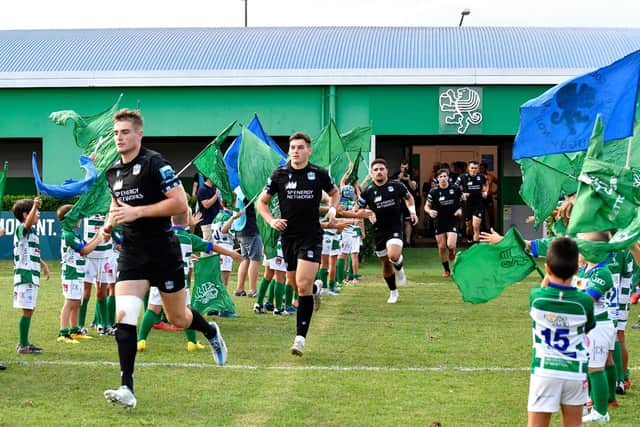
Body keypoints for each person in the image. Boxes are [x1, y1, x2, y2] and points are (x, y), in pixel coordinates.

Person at [102, 108, 227, 409]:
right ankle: (126, 387)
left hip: (163, 250)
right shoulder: (113, 172)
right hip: (131, 253)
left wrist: (138, 212)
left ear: (139, 134)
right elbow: (116, 205)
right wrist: (110, 223)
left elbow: (179, 204)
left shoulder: (155, 163)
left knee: (178, 317)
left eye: (125, 132)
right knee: (125, 315)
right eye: (116, 133)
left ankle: (210, 331)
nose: (120, 137)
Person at [257, 131, 339, 356]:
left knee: (301, 285)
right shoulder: (279, 174)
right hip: (288, 237)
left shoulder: (318, 174)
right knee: (295, 283)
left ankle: (300, 339)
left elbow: (335, 193)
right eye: (292, 147)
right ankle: (315, 289)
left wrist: (332, 209)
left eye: (300, 147)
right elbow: (261, 203)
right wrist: (271, 220)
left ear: (309, 150)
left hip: (311, 235)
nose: (296, 150)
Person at [527, 237, 594, 427]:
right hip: (575, 371)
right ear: (576, 270)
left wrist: (548, 277)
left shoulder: (537, 297)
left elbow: (543, 289)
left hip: (545, 371)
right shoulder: (584, 302)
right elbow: (588, 327)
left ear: (547, 268)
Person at [357, 158, 417, 303]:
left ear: (386, 171)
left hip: (395, 227)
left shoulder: (397, 185)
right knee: (385, 263)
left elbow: (409, 198)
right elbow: (358, 210)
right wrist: (366, 213)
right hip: (378, 230)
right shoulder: (367, 192)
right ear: (371, 173)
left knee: (393, 255)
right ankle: (393, 292)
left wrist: (413, 212)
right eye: (376, 170)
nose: (379, 172)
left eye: (381, 169)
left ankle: (399, 265)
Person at [574, 232, 615, 423]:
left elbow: (589, 298)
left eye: (584, 244)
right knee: (584, 368)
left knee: (595, 368)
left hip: (598, 325)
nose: (580, 247)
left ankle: (601, 412)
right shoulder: (583, 270)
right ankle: (585, 405)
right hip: (586, 325)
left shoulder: (602, 272)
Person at [57, 205, 103, 344]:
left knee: (77, 302)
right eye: (77, 215)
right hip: (71, 274)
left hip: (77, 274)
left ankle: (74, 330)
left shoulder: (72, 234)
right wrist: (99, 238)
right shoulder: (69, 235)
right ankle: (63, 333)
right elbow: (85, 250)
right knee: (70, 302)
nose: (80, 218)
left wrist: (97, 235)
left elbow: (85, 245)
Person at [12, 197, 50, 354]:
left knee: (30, 309)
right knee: (27, 310)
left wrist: (43, 265)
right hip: (25, 276)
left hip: (32, 276)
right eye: (36, 211)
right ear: (25, 215)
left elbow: (30, 251)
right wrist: (35, 204)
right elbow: (26, 224)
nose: (39, 214)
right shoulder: (21, 228)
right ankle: (23, 345)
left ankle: (24, 341)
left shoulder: (32, 232)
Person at [82, 214, 116, 336]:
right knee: (85, 293)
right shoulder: (87, 206)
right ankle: (80, 326)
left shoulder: (109, 207)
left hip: (105, 257)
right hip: (89, 256)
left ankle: (104, 325)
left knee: (102, 293)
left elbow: (113, 227)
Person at [425, 168, 462, 278]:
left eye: (445, 176)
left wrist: (460, 210)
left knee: (450, 244)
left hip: (452, 219)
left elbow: (462, 202)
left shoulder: (455, 189)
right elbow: (426, 206)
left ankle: (452, 250)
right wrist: (429, 211)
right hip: (439, 221)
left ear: (448, 178)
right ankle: (446, 270)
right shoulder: (433, 192)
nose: (443, 178)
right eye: (441, 177)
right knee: (441, 247)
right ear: (437, 179)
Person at [233, 190, 263, 297]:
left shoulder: (237, 190)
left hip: (240, 229)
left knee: (245, 259)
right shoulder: (249, 191)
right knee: (254, 259)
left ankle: (240, 288)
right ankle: (253, 290)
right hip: (250, 229)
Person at [455, 160, 487, 244]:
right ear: (468, 168)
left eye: (476, 168)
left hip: (478, 204)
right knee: (468, 226)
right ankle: (469, 236)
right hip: (467, 205)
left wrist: (485, 192)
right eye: (472, 168)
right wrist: (462, 194)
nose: (474, 170)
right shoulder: (462, 177)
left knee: (476, 226)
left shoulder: (482, 177)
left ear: (478, 169)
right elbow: (455, 188)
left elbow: (486, 184)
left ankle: (475, 247)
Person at [391, 160, 418, 246]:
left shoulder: (411, 175)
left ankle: (408, 241)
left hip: (408, 201)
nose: (404, 168)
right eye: (403, 167)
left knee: (407, 221)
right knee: (396, 220)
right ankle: (397, 239)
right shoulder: (396, 174)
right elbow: (392, 186)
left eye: (406, 167)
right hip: (397, 201)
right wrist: (400, 178)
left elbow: (414, 188)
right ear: (400, 167)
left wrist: (408, 179)